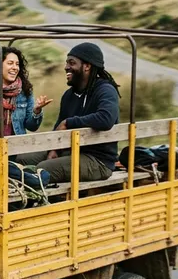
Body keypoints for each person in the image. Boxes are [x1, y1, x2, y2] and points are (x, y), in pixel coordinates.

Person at [36, 42, 121, 184]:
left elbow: (106, 118)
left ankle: (34, 202)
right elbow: (58, 126)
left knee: (43, 168)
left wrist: (69, 122)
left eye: (72, 63)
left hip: (98, 160)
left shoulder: (105, 90)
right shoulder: (69, 95)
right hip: (71, 151)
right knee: (22, 158)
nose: (66, 67)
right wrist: (54, 150)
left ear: (87, 66)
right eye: (66, 62)